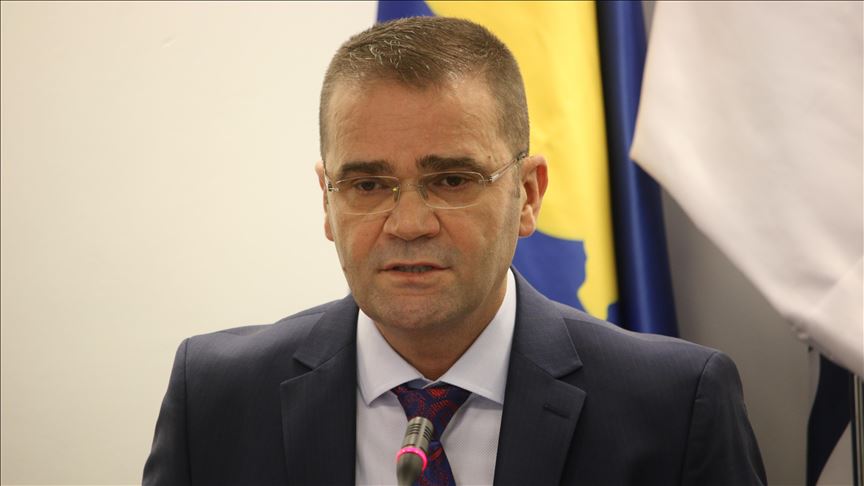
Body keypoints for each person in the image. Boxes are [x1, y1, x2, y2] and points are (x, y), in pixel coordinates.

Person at [144, 16, 766, 486]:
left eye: (451, 180)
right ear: (327, 202)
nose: (409, 224)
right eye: (368, 185)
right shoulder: (217, 398)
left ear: (527, 196)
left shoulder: (676, 406)